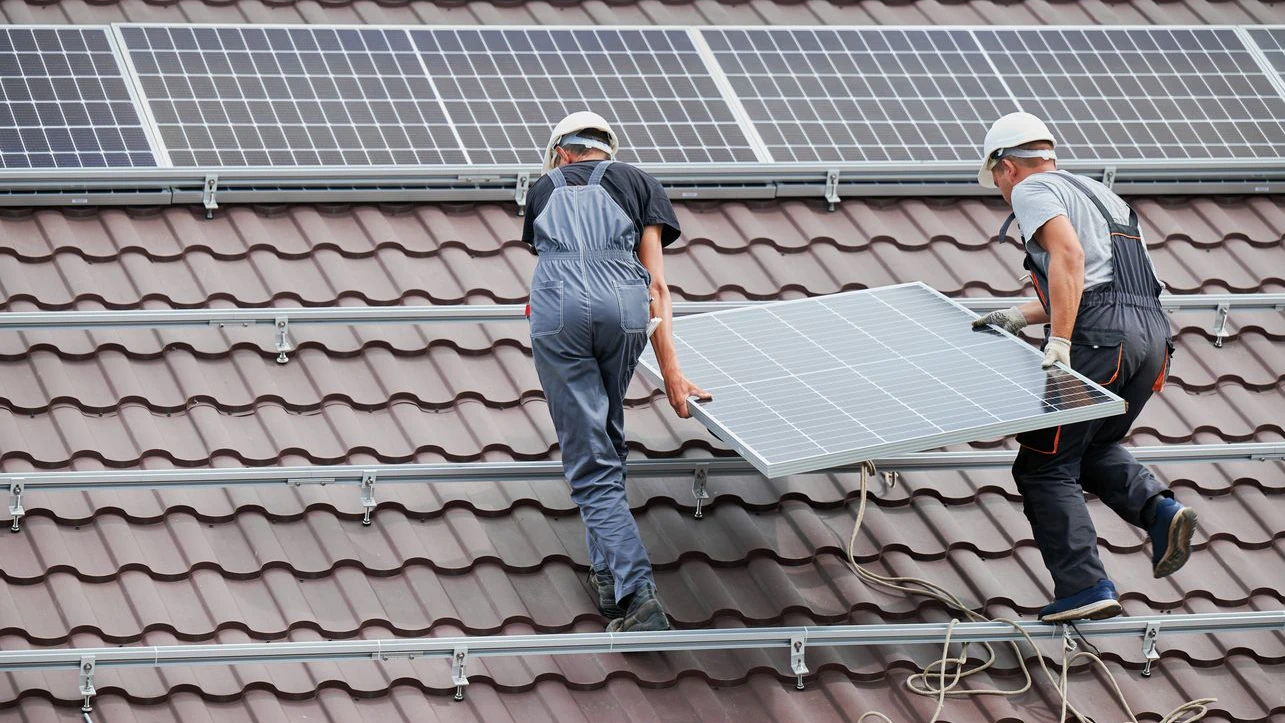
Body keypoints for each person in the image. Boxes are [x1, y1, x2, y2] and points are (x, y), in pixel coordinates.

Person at [971, 112, 1197, 622]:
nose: (1003, 194)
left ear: (1006, 168)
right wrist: (1020, 314)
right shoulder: (1100, 194)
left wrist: (1060, 339)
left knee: (1044, 465)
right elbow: (1106, 287)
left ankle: (1085, 586)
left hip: (1100, 339)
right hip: (1150, 341)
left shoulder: (1033, 190)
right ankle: (1161, 513)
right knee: (1092, 445)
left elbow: (1069, 260)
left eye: (998, 183)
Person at [522, 111, 711, 632]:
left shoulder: (542, 190)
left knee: (587, 462)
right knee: (605, 437)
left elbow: (555, 261)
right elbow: (657, 288)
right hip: (625, 310)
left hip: (558, 311)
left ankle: (638, 591)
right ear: (608, 148)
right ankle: (607, 579)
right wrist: (672, 372)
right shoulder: (639, 182)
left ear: (561, 152)